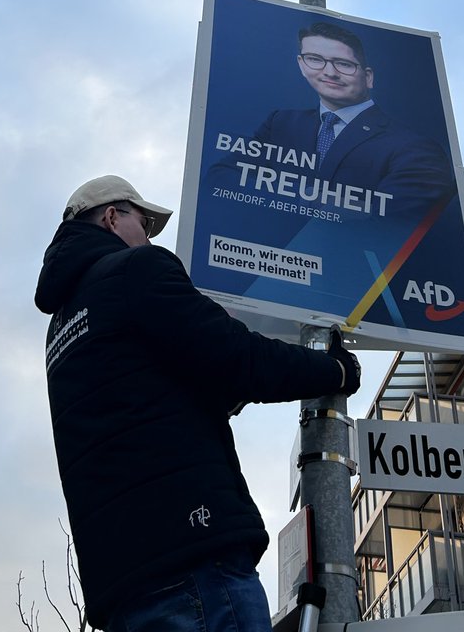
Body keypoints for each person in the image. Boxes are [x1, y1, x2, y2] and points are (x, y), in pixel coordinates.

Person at [35, 174, 361, 632]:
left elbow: (142, 396)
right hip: (192, 558)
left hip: (120, 584)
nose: (147, 237)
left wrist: (220, 395)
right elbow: (235, 355)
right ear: (112, 217)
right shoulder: (136, 270)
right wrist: (334, 370)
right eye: (143, 223)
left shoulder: (62, 330)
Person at [227, 20, 456, 228]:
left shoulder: (415, 149)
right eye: (315, 60)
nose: (329, 73)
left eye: (344, 64)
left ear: (368, 77)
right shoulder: (281, 123)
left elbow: (394, 223)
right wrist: (297, 198)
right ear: (301, 65)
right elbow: (222, 177)